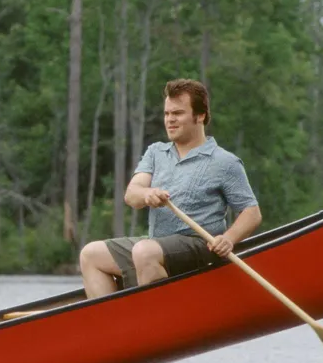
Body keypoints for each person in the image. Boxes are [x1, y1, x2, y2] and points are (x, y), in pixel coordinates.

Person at [79, 78, 262, 297]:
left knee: (144, 252)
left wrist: (229, 238)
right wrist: (148, 194)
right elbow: (132, 195)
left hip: (199, 247)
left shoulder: (224, 162)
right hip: (154, 245)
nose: (170, 120)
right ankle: (112, 327)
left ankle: (155, 321)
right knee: (91, 254)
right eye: (167, 114)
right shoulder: (156, 152)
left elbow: (251, 212)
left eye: (178, 114)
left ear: (200, 115)